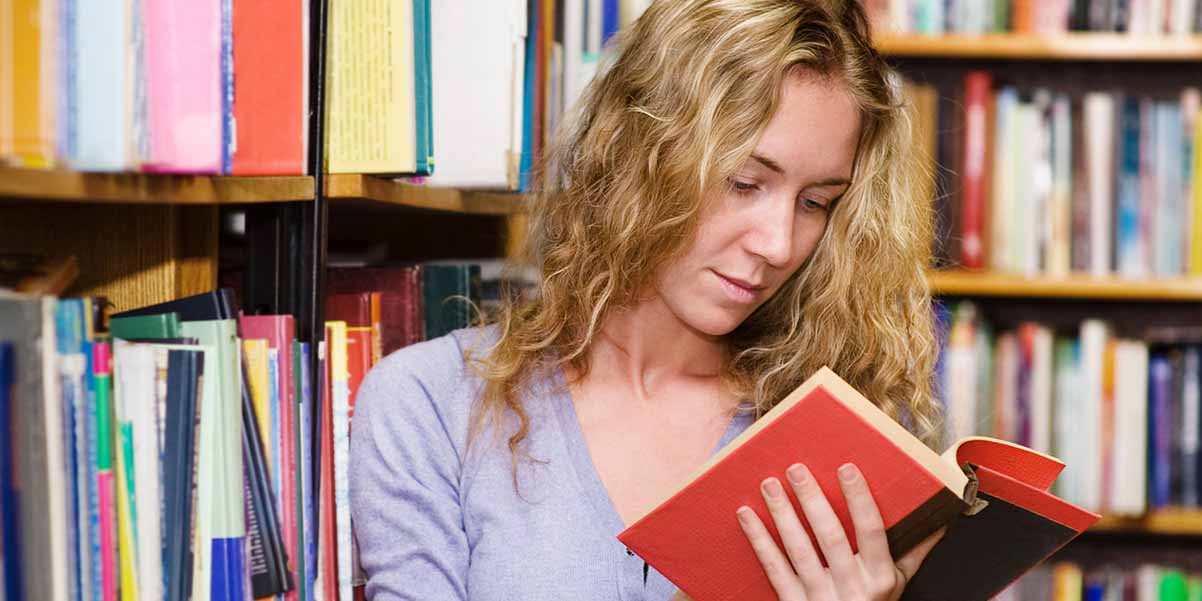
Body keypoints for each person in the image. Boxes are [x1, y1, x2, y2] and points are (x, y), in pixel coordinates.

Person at [350, 1, 946, 599]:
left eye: (816, 202)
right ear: (640, 153)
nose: (779, 243)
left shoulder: (839, 446)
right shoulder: (433, 402)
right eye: (744, 182)